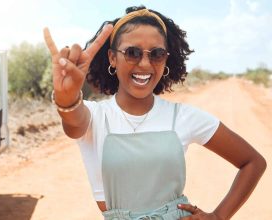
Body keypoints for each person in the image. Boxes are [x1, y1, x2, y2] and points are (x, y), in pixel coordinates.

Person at [43, 6, 267, 220]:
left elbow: (253, 162)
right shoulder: (95, 117)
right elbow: (73, 122)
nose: (145, 63)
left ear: (166, 58)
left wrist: (219, 216)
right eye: (132, 52)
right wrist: (67, 96)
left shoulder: (182, 117)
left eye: (157, 54)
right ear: (112, 57)